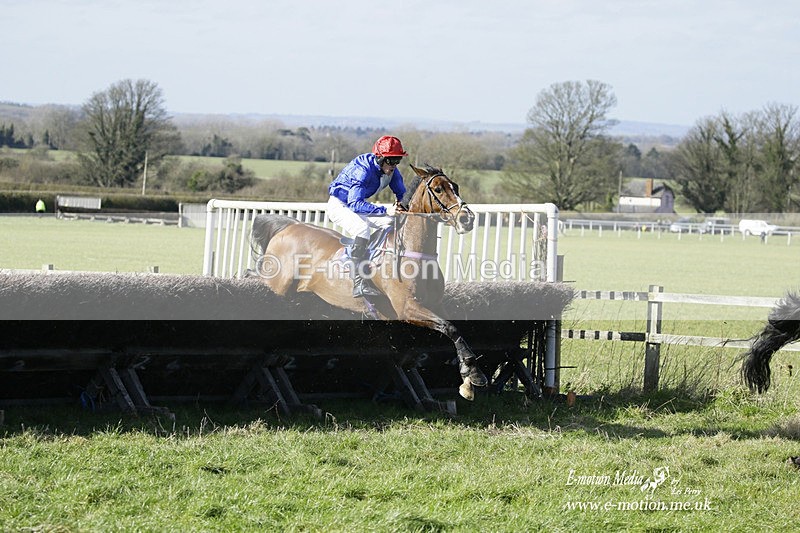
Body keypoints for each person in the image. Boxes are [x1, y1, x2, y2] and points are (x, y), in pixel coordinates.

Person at [327, 135, 408, 298]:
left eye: (398, 160)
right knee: (361, 229)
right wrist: (386, 210)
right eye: (391, 161)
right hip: (340, 205)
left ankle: (379, 265)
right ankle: (359, 282)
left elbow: (403, 196)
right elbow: (355, 204)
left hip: (356, 205)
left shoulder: (392, 171)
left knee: (391, 223)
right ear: (380, 158)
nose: (394, 165)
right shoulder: (362, 170)